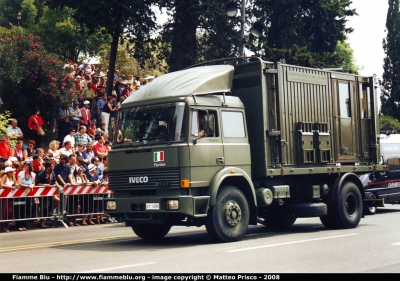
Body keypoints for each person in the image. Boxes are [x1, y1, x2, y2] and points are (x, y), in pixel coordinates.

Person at [35, 162, 60, 228]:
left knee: (57, 200)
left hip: (51, 193)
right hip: (43, 194)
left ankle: (49, 211)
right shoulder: (41, 174)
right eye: (52, 166)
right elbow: (37, 184)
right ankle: (42, 222)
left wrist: (57, 184)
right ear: (48, 167)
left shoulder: (52, 173)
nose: (53, 167)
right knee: (43, 207)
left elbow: (54, 181)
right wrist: (45, 185)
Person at [16, 161, 36, 231]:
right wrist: (27, 186)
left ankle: (24, 224)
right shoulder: (21, 173)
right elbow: (19, 183)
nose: (25, 166)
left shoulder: (33, 174)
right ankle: (18, 225)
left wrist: (31, 186)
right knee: (20, 209)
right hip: (20, 194)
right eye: (25, 165)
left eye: (27, 165)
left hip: (28, 195)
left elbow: (33, 183)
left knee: (26, 209)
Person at [0, 167, 18, 232]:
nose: (12, 173)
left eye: (12, 171)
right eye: (11, 171)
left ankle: (6, 225)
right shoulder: (5, 176)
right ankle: (3, 226)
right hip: (4, 197)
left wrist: (16, 185)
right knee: (4, 211)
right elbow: (1, 184)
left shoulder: (13, 176)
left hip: (10, 196)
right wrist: (10, 187)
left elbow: (16, 183)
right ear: (7, 172)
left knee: (10, 211)